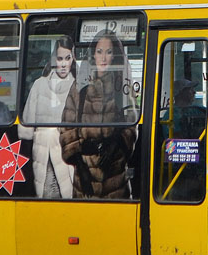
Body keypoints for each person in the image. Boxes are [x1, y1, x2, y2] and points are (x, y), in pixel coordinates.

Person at [60, 31, 137, 199]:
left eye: (108, 52)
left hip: (115, 178)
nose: (103, 58)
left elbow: (131, 126)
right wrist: (80, 166)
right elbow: (67, 128)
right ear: (93, 54)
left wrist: (116, 144)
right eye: (99, 51)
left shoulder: (122, 86)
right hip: (84, 179)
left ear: (114, 56)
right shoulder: (79, 87)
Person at [19, 37, 76, 199]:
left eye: (67, 58)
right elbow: (25, 130)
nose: (64, 64)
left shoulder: (77, 87)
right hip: (44, 157)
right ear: (54, 60)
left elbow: (27, 129)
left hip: (67, 157)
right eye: (60, 59)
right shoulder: (39, 85)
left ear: (73, 59)